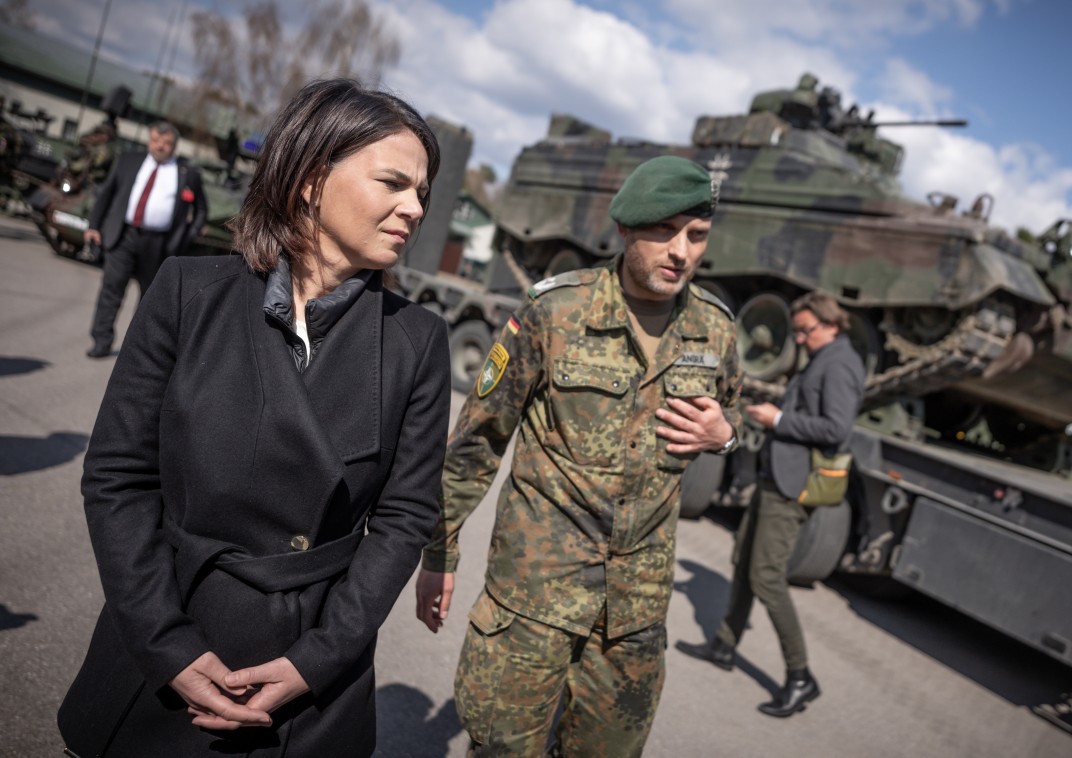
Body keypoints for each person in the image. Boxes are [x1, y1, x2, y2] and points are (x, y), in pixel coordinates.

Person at [58, 79, 450, 757]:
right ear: (309, 178)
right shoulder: (187, 294)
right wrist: (165, 641)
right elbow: (118, 479)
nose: (414, 208)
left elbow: (404, 517)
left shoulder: (418, 341)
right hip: (167, 637)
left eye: (422, 192)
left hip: (307, 677)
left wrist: (316, 660)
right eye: (393, 182)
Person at [415, 155, 743, 756]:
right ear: (625, 230)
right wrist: (439, 549)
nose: (681, 252)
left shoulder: (716, 331)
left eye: (696, 236)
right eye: (664, 232)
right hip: (534, 597)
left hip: (634, 614)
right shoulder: (555, 312)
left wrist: (725, 435)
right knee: (501, 748)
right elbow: (477, 443)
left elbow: (731, 417)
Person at [676, 290, 865, 718]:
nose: (798, 339)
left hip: (793, 486)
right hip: (776, 476)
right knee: (744, 561)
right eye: (796, 331)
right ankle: (725, 645)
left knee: (766, 577)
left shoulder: (841, 364)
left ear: (831, 325)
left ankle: (800, 676)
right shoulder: (823, 357)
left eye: (805, 331)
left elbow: (836, 429)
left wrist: (776, 418)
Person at [84, 121, 208, 358]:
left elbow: (201, 209)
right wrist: (93, 226)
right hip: (124, 236)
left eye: (166, 143)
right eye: (155, 141)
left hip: (160, 244)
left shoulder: (187, 172)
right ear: (149, 140)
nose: (160, 146)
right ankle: (101, 340)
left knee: (149, 300)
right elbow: (106, 195)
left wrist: (188, 236)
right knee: (111, 290)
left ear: (174, 146)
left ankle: (135, 351)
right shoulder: (128, 161)